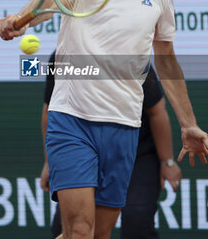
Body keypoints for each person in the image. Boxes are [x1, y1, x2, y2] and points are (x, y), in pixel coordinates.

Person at [0, 0, 208, 239]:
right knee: (80, 232)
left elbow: (167, 59)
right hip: (72, 121)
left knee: (98, 235)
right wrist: (22, 19)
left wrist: (189, 124)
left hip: (123, 127)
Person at [40, 52, 182, 239]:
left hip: (136, 154)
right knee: (70, 228)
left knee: (136, 222)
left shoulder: (128, 53)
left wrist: (167, 161)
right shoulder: (62, 55)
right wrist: (51, 162)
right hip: (82, 149)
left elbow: (157, 112)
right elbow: (49, 110)